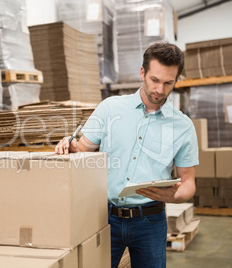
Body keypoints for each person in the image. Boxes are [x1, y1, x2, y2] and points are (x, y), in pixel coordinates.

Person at [55, 42, 199, 268]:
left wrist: (175, 196)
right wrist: (68, 143)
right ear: (142, 73)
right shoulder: (110, 109)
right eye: (154, 80)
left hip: (151, 220)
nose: (160, 90)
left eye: (168, 83)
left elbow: (189, 182)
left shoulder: (183, 126)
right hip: (105, 217)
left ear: (176, 81)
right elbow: (82, 150)